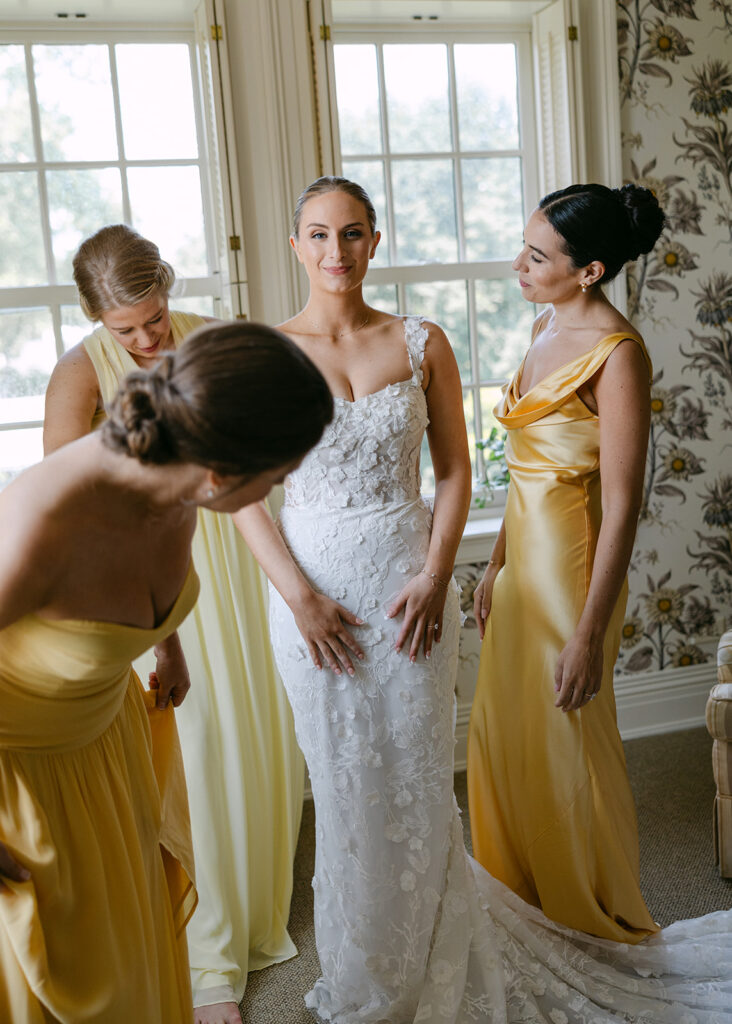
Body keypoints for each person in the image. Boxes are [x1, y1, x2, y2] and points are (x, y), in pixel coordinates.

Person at [234, 176, 732, 1023]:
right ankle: (363, 969)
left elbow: (457, 471)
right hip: (311, 597)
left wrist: (437, 576)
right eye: (317, 235)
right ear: (293, 246)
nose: (336, 253)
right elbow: (244, 490)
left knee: (421, 781)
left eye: (352, 234)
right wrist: (299, 599)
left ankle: (442, 950)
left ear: (376, 240)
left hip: (410, 586)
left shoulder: (421, 340)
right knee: (346, 784)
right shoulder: (267, 354)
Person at [0, 321, 333, 1023]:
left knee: (138, 960)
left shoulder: (175, 478)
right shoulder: (41, 521)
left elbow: (152, 583)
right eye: (278, 475)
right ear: (221, 471)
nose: (282, 486)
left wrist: (165, 646)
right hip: (27, 782)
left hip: (111, 748)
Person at [467, 182, 667, 943]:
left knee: (565, 742)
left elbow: (622, 505)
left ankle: (589, 910)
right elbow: (526, 476)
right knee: (505, 732)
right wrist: (493, 566)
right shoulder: (545, 327)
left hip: (575, 583)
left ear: (589, 271)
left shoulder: (618, 356)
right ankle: (525, 903)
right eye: (524, 245)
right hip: (522, 572)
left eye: (538, 255)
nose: (518, 263)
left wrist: (588, 635)